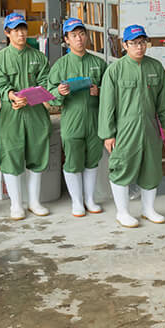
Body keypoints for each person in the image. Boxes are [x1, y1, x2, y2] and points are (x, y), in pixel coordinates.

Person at [98, 25, 165, 228]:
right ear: (124, 45)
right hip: (125, 129)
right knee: (122, 167)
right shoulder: (115, 70)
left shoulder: (155, 67)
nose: (139, 47)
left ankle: (148, 210)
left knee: (151, 167)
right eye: (133, 43)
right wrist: (108, 134)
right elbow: (107, 105)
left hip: (150, 127)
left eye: (142, 42)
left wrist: (164, 123)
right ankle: (122, 212)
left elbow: (162, 100)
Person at [0, 12, 52, 219]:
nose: (21, 34)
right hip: (10, 114)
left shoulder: (38, 57)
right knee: (11, 156)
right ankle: (16, 204)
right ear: (7, 33)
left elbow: (45, 82)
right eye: (15, 30)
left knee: (37, 156)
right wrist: (11, 96)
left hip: (35, 113)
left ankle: (34, 201)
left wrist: (32, 96)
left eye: (23, 29)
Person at [45, 17, 106, 217]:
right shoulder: (60, 65)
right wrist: (59, 92)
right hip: (72, 120)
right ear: (66, 40)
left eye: (81, 34)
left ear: (87, 36)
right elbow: (49, 95)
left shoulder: (98, 63)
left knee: (92, 159)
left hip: (94, 118)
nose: (79, 39)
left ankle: (90, 199)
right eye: (73, 35)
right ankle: (77, 201)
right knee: (73, 160)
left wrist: (100, 91)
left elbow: (111, 91)